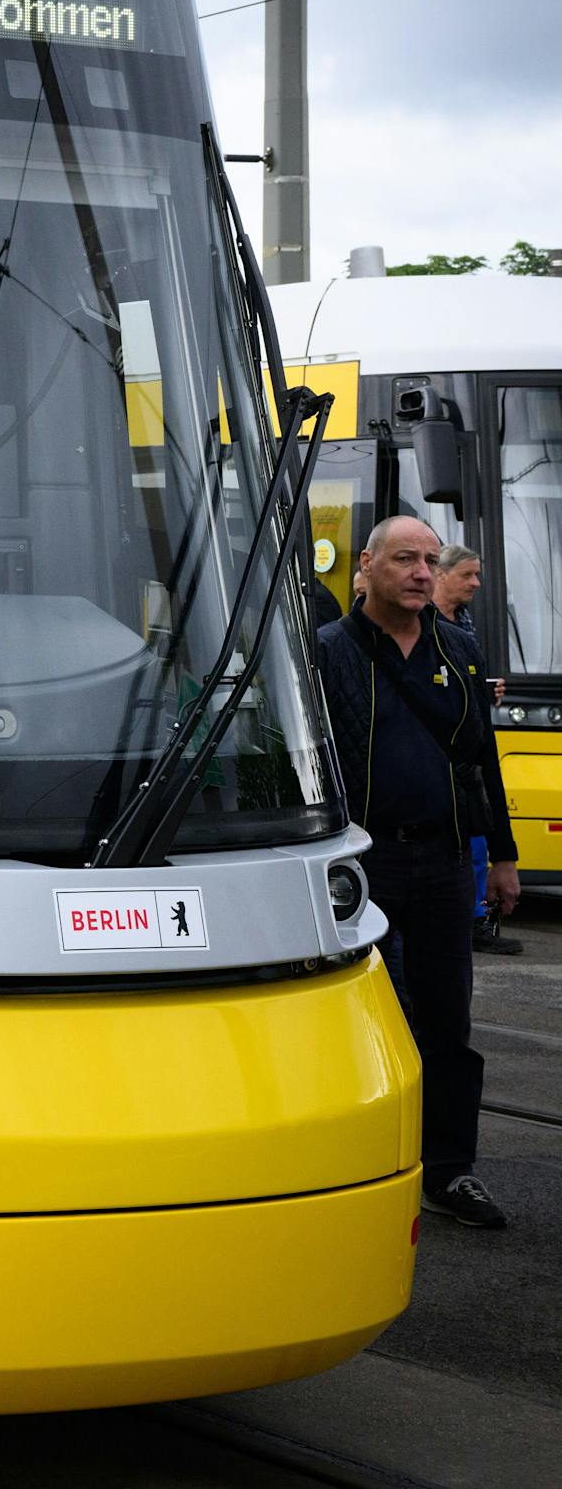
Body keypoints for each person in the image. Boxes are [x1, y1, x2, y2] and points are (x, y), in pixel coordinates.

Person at [314, 515, 521, 1230]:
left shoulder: (457, 650)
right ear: (366, 564)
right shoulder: (327, 653)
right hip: (360, 866)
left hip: (439, 860)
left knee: (446, 1019)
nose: (422, 572)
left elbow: (478, 761)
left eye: (431, 560)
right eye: (406, 558)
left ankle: (450, 1172)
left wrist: (502, 855)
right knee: (360, 1019)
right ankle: (356, 1164)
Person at [432, 543, 521, 955]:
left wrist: (486, 693)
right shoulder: (422, 623)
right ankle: (467, 920)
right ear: (442, 576)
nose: (476, 584)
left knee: (477, 842)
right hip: (440, 766)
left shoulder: (465, 625)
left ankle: (475, 919)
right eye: (467, 575)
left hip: (471, 759)